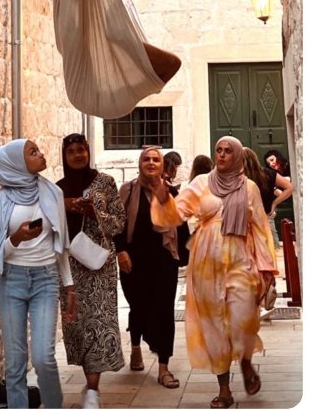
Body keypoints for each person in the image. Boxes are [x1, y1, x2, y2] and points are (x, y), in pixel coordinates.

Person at [151, 136, 277, 409]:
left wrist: (266, 269)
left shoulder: (250, 188)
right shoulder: (200, 184)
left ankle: (245, 362)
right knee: (215, 325)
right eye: (218, 150)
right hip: (206, 263)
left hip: (240, 259)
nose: (221, 155)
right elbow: (175, 215)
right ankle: (224, 390)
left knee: (243, 317)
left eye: (227, 151)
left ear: (237, 156)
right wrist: (163, 198)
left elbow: (259, 228)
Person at [0, 139, 76, 409]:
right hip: (11, 281)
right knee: (15, 361)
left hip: (46, 279)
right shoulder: (1, 201)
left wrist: (69, 288)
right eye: (32, 152)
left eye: (37, 150)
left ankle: (54, 407)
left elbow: (61, 245)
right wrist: (17, 238)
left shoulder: (52, 193)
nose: (41, 154)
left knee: (44, 357)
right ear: (16, 164)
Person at [56, 133, 126, 409]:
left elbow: (119, 223)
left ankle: (94, 390)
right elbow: (47, 225)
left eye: (81, 150)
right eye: (71, 151)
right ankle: (89, 381)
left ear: (88, 151)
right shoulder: (57, 189)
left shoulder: (105, 183)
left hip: (100, 266)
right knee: (79, 326)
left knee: (99, 323)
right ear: (65, 156)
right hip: (70, 266)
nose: (77, 155)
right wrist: (65, 206)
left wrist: (95, 211)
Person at [115, 147, 187, 390]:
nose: (151, 163)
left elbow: (181, 226)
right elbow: (117, 225)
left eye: (156, 159)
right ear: (140, 163)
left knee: (165, 310)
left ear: (162, 164)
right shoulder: (127, 190)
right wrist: (120, 251)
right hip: (133, 260)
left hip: (165, 260)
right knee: (139, 306)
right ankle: (135, 346)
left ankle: (164, 368)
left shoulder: (171, 192)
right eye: (146, 159)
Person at [243, 148, 292, 244]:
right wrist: (274, 203)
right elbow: (289, 188)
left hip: (245, 219)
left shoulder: (237, 176)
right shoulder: (267, 173)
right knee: (271, 249)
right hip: (266, 216)